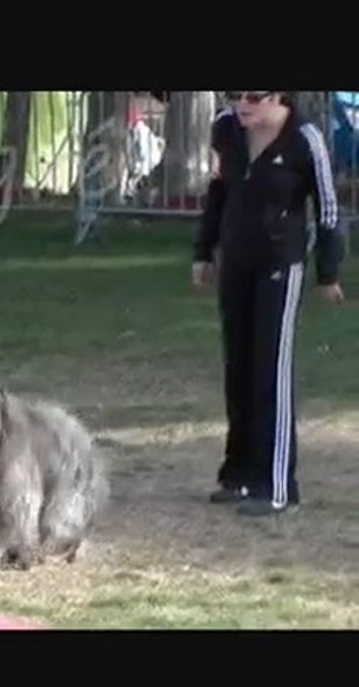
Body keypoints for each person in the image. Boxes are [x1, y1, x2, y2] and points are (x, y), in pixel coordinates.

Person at [193, 91, 346, 516]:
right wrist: (203, 252)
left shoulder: (304, 137)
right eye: (234, 95)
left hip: (281, 262)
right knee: (238, 368)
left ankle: (278, 485)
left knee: (271, 371)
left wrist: (328, 272)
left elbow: (327, 209)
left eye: (253, 97)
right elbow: (217, 192)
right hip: (236, 260)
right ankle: (239, 474)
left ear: (277, 95)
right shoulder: (226, 129)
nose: (242, 104)